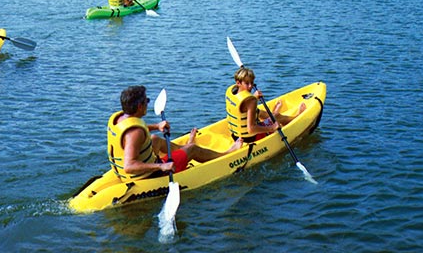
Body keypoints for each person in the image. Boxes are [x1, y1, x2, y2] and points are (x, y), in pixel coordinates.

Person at [108, 85, 242, 181]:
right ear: (139, 106)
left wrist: (157, 126)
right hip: (146, 176)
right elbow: (129, 166)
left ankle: (183, 150)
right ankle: (226, 153)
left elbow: (133, 130)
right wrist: (161, 166)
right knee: (193, 149)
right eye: (146, 101)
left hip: (128, 173)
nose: (148, 103)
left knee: (155, 139)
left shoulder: (120, 118)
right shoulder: (135, 133)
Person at [226, 67, 305, 143]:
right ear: (238, 83)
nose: (250, 86)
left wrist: (254, 97)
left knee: (258, 112)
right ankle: (295, 117)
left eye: (252, 82)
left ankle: (273, 114)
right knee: (277, 117)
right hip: (251, 137)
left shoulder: (232, 92)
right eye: (247, 83)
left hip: (236, 136)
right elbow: (251, 129)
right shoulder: (251, 101)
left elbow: (244, 107)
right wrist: (272, 128)